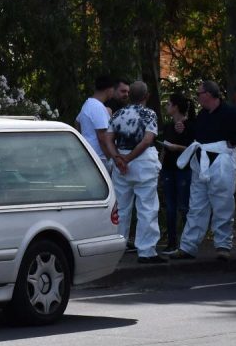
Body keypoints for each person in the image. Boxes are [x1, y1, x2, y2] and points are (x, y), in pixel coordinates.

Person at [168, 80, 236, 261]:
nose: (197, 97)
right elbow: (196, 133)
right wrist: (183, 127)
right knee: (196, 205)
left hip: (221, 161)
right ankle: (188, 247)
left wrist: (233, 141)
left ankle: (223, 246)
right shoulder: (203, 114)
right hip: (202, 162)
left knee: (222, 204)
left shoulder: (229, 112)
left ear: (208, 95)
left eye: (199, 93)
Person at [104, 81, 165, 264]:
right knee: (147, 206)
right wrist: (128, 159)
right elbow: (147, 140)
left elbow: (108, 138)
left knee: (121, 208)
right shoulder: (149, 114)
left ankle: (117, 247)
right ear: (146, 96)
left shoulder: (118, 114)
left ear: (130, 96)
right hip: (142, 162)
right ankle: (146, 250)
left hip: (121, 163)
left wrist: (117, 158)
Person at [158, 93, 195, 252]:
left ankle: (187, 243)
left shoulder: (190, 126)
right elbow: (163, 150)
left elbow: (194, 148)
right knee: (170, 206)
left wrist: (176, 147)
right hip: (168, 169)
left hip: (184, 170)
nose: (166, 107)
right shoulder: (167, 126)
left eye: (168, 104)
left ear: (176, 107)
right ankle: (172, 242)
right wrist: (159, 167)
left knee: (184, 205)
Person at [76, 75, 115, 167]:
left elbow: (77, 121)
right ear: (109, 89)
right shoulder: (98, 107)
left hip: (90, 154)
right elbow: (102, 137)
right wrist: (111, 158)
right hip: (100, 158)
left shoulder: (88, 103)